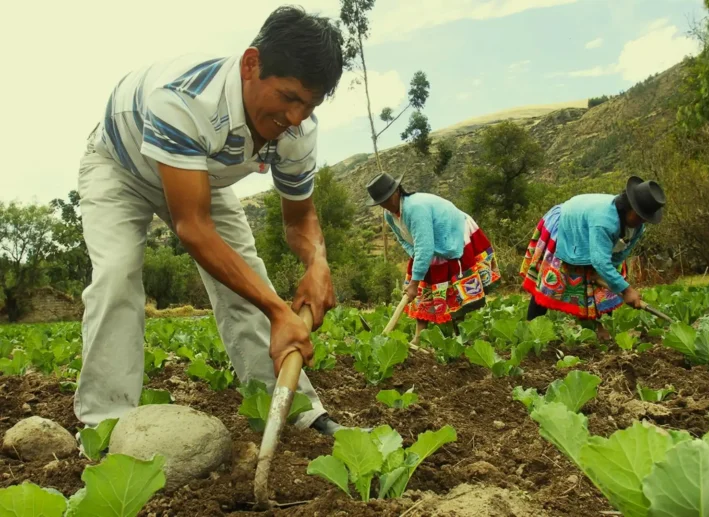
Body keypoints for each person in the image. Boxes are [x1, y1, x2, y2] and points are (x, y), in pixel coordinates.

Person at [73, 6, 349, 436]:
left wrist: (318, 262)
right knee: (117, 274)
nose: (295, 117)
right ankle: (105, 426)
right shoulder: (183, 100)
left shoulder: (298, 131)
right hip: (121, 166)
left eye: (308, 105)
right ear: (251, 64)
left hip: (199, 174)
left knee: (246, 277)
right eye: (288, 97)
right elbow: (193, 227)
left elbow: (300, 217)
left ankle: (292, 409)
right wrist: (279, 310)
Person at [519, 176, 665, 339]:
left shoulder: (638, 226)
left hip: (590, 229)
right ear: (628, 207)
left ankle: (598, 328)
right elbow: (600, 261)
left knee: (606, 284)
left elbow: (621, 253)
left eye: (645, 218)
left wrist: (608, 276)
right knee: (550, 281)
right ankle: (531, 329)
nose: (642, 221)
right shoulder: (604, 222)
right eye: (639, 216)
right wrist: (627, 290)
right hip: (567, 225)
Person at [365, 172, 501, 344]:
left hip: (453, 236)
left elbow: (425, 246)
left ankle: (462, 336)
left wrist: (414, 281)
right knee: (424, 292)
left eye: (387, 199)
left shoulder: (415, 209)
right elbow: (403, 240)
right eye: (381, 202)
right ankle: (418, 338)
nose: (385, 205)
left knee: (456, 291)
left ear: (397, 191)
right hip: (430, 245)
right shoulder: (389, 215)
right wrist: (415, 257)